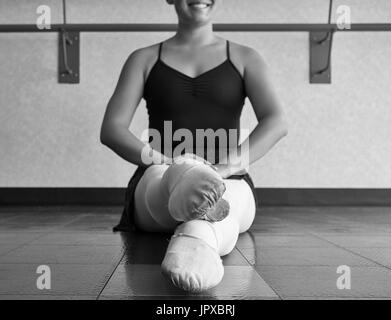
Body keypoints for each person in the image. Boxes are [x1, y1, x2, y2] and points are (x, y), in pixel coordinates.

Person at [100, 0, 288, 292]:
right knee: (174, 180)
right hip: (159, 174)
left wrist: (226, 167)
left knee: (227, 199)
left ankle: (196, 237)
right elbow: (112, 128)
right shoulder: (144, 59)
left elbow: (276, 121)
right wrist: (161, 160)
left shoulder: (246, 57)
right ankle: (195, 211)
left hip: (230, 177)